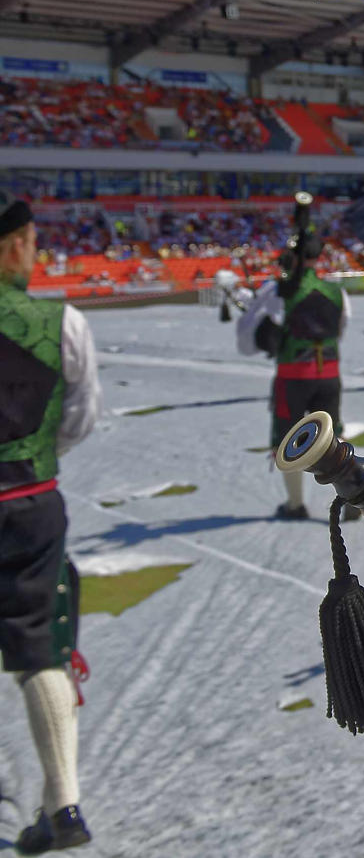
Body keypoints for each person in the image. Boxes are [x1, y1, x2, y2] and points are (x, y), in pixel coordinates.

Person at [0, 192, 101, 853]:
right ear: (13, 245)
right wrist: (31, 460)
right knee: (40, 646)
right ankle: (63, 806)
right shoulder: (60, 318)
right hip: (30, 498)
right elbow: (80, 419)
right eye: (33, 240)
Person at [237, 207, 349, 520]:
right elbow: (340, 330)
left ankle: (295, 504)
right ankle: (353, 495)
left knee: (287, 438)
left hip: (292, 377)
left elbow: (247, 338)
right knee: (333, 435)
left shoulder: (277, 291)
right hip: (329, 373)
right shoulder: (336, 291)